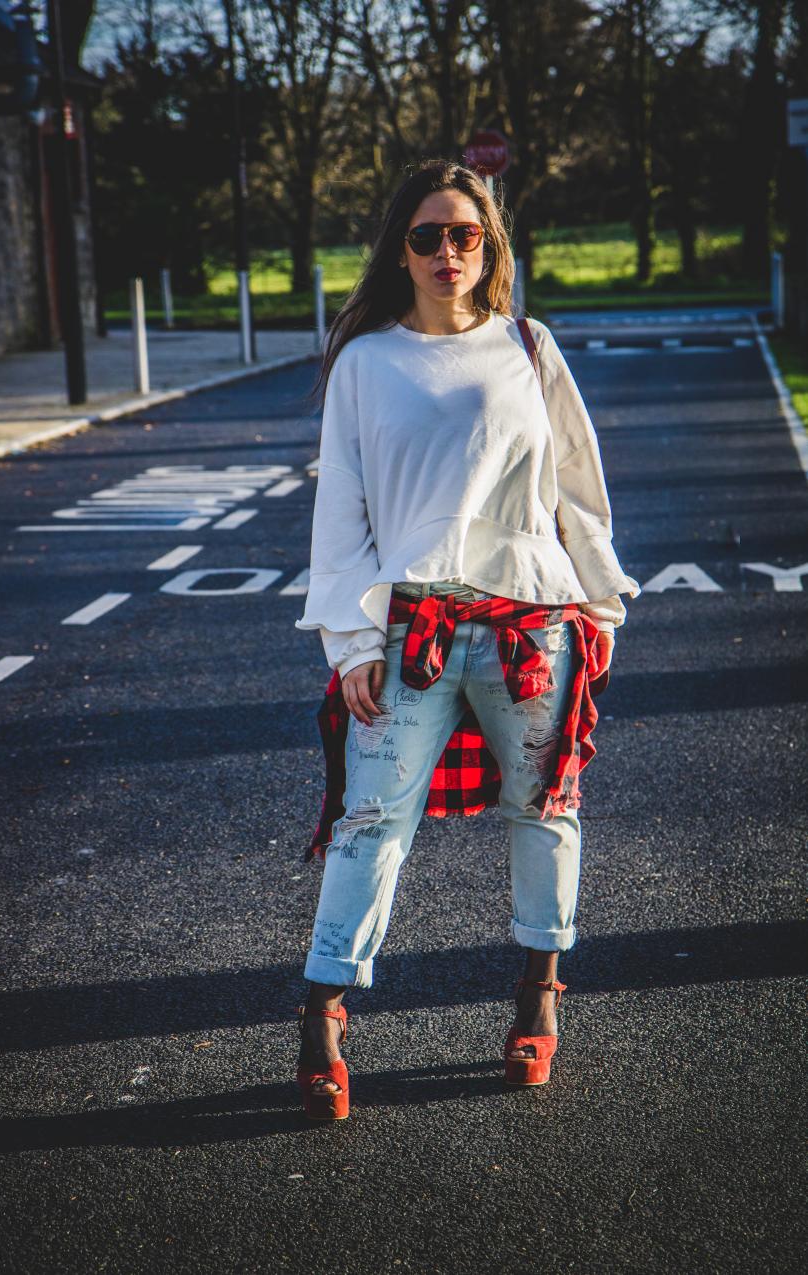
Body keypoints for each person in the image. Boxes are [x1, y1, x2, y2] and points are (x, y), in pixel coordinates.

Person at [293, 158, 640, 1120]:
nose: (448, 251)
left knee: (546, 809)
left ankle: (538, 996)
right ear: (397, 248)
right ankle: (322, 1011)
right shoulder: (364, 361)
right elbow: (341, 514)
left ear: (489, 246)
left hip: (531, 624)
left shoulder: (529, 346)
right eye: (427, 235)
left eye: (466, 234)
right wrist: (351, 644)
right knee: (370, 819)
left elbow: (578, 485)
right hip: (411, 630)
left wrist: (600, 607)